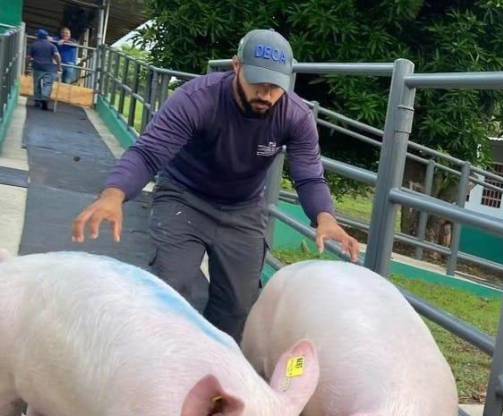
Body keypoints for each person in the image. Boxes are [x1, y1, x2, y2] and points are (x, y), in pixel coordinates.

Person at [72, 29, 361, 341]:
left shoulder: (295, 116)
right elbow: (148, 152)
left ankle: (214, 371)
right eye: (257, 82)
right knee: (172, 285)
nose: (266, 93)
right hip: (184, 197)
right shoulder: (197, 99)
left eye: (275, 86)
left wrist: (325, 216)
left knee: (238, 307)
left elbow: (309, 175)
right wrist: (113, 195)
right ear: (236, 66)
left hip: (242, 208)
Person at [28, 29, 60, 110]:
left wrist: (27, 67)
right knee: (48, 84)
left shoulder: (34, 45)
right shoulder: (52, 46)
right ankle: (45, 99)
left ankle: (37, 100)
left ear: (38, 36)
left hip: (37, 67)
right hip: (50, 68)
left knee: (37, 83)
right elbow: (57, 56)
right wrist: (59, 66)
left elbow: (28, 57)